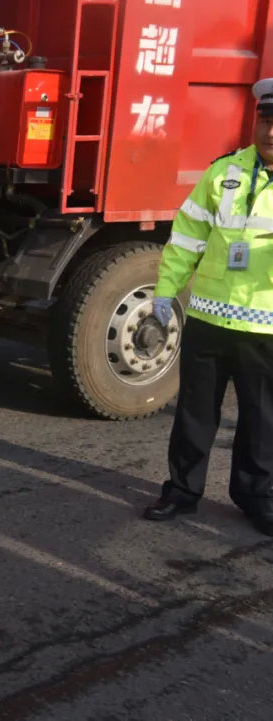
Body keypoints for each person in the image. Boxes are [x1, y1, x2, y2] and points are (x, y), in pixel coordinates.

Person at [143, 77, 273, 537]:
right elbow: (186, 239)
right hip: (209, 317)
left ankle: (256, 497)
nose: (271, 131)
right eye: (266, 119)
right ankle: (181, 491)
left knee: (262, 420)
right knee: (195, 413)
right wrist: (165, 291)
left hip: (266, 326)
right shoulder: (223, 173)